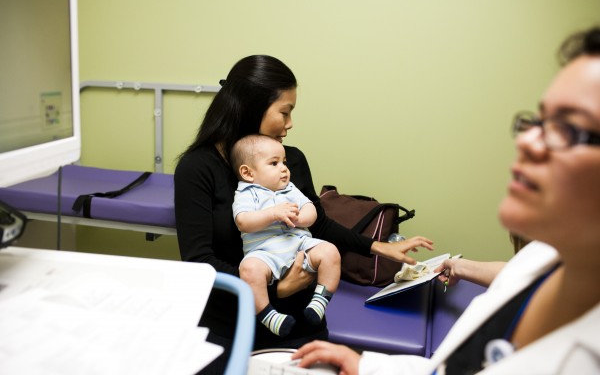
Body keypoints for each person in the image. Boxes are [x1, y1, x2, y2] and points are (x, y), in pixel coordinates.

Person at [292, 26, 600, 374]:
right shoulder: (546, 258)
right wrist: (366, 366)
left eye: (570, 129)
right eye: (540, 121)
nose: (528, 139)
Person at [174, 55, 434, 373]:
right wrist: (276, 290)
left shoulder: (289, 161)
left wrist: (378, 247)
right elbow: (199, 261)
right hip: (228, 321)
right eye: (285, 111)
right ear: (252, 106)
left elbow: (320, 223)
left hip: (299, 322)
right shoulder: (197, 168)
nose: (290, 123)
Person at [231, 134, 341, 337]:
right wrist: (273, 214)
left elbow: (311, 210)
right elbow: (243, 221)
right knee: (248, 269)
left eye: (284, 162)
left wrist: (299, 219)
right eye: (274, 163)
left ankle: (319, 301)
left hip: (299, 243)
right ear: (248, 173)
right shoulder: (246, 193)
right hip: (265, 253)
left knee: (330, 251)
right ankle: (268, 316)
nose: (283, 168)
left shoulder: (289, 189)